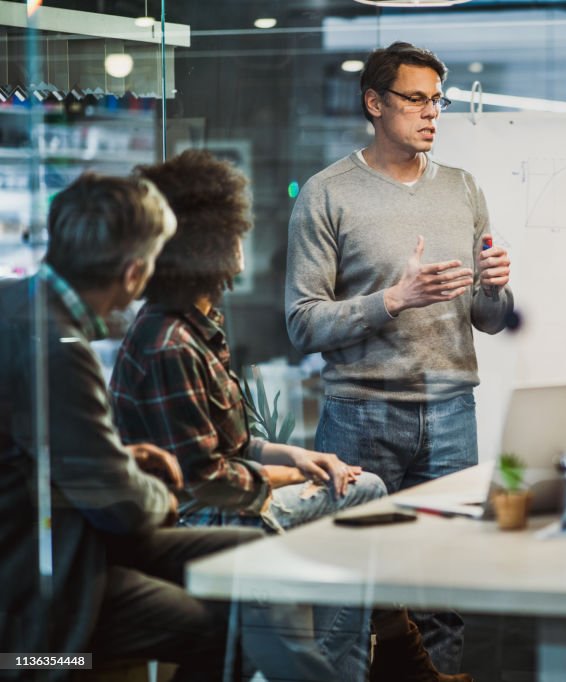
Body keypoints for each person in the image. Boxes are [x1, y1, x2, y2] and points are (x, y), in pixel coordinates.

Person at [115, 150, 466, 682]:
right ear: (204, 246)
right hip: (203, 517)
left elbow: (234, 444)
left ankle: (354, 665)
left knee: (361, 489)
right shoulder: (169, 343)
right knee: (360, 494)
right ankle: (349, 668)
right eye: (233, 234)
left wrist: (302, 454)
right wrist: (298, 472)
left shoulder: (199, 328)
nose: (242, 244)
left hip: (228, 496)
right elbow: (208, 480)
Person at [285, 41, 513, 673]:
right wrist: (394, 298)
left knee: (442, 590)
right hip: (361, 411)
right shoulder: (328, 193)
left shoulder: (463, 189)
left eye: (437, 100)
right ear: (374, 104)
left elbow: (490, 321)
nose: (430, 113)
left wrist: (494, 287)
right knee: (354, 593)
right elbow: (301, 324)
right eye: (415, 99)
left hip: (449, 410)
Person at [0, 174, 261, 680]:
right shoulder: (59, 347)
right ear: (135, 273)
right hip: (36, 574)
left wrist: (125, 459)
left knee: (250, 555)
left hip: (58, 533)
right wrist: (162, 494)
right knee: (217, 625)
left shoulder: (19, 303)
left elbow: (46, 449)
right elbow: (121, 506)